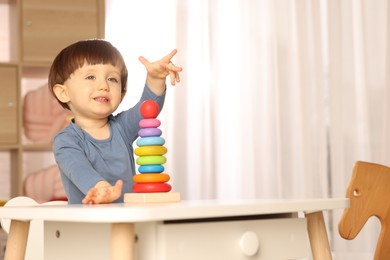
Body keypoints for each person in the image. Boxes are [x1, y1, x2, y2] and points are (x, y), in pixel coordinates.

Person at [48, 39, 182, 204]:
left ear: (122, 94)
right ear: (63, 93)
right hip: (86, 225)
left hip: (125, 220)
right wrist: (101, 188)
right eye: (91, 77)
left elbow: (148, 109)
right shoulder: (65, 141)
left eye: (112, 79)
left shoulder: (122, 127)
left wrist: (155, 79)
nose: (104, 85)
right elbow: (78, 169)